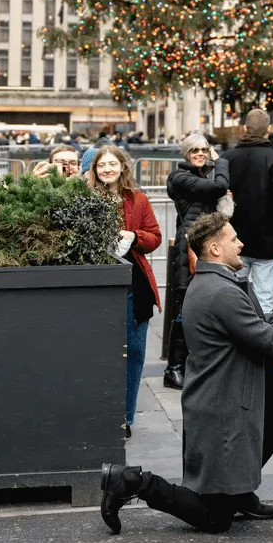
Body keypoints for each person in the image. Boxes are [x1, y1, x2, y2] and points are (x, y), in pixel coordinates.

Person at [100, 211, 273, 535]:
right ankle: (132, 481)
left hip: (223, 399)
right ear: (215, 249)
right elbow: (267, 340)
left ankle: (239, 490)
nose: (240, 244)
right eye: (233, 239)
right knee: (214, 519)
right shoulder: (221, 292)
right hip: (222, 411)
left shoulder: (217, 284)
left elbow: (253, 327)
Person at [89, 146, 162, 438]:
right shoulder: (87, 200)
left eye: (111, 164)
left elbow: (154, 236)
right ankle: (99, 411)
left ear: (122, 167)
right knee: (99, 353)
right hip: (98, 284)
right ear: (94, 171)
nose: (106, 169)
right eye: (101, 165)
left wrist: (134, 236)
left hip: (135, 284)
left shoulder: (138, 200)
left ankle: (125, 418)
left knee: (134, 352)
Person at [164, 132, 231, 389]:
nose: (201, 154)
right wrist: (220, 161)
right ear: (186, 154)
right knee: (184, 309)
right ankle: (174, 368)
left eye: (204, 150)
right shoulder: (180, 177)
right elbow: (219, 187)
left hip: (209, 247)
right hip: (189, 249)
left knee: (206, 307)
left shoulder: (201, 176)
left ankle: (196, 366)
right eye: (195, 150)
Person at [222, 109, 273, 318]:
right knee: (264, 297)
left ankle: (236, 340)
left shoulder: (228, 158)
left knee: (235, 293)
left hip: (234, 238)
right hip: (268, 240)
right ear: (268, 131)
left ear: (245, 129)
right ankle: (262, 342)